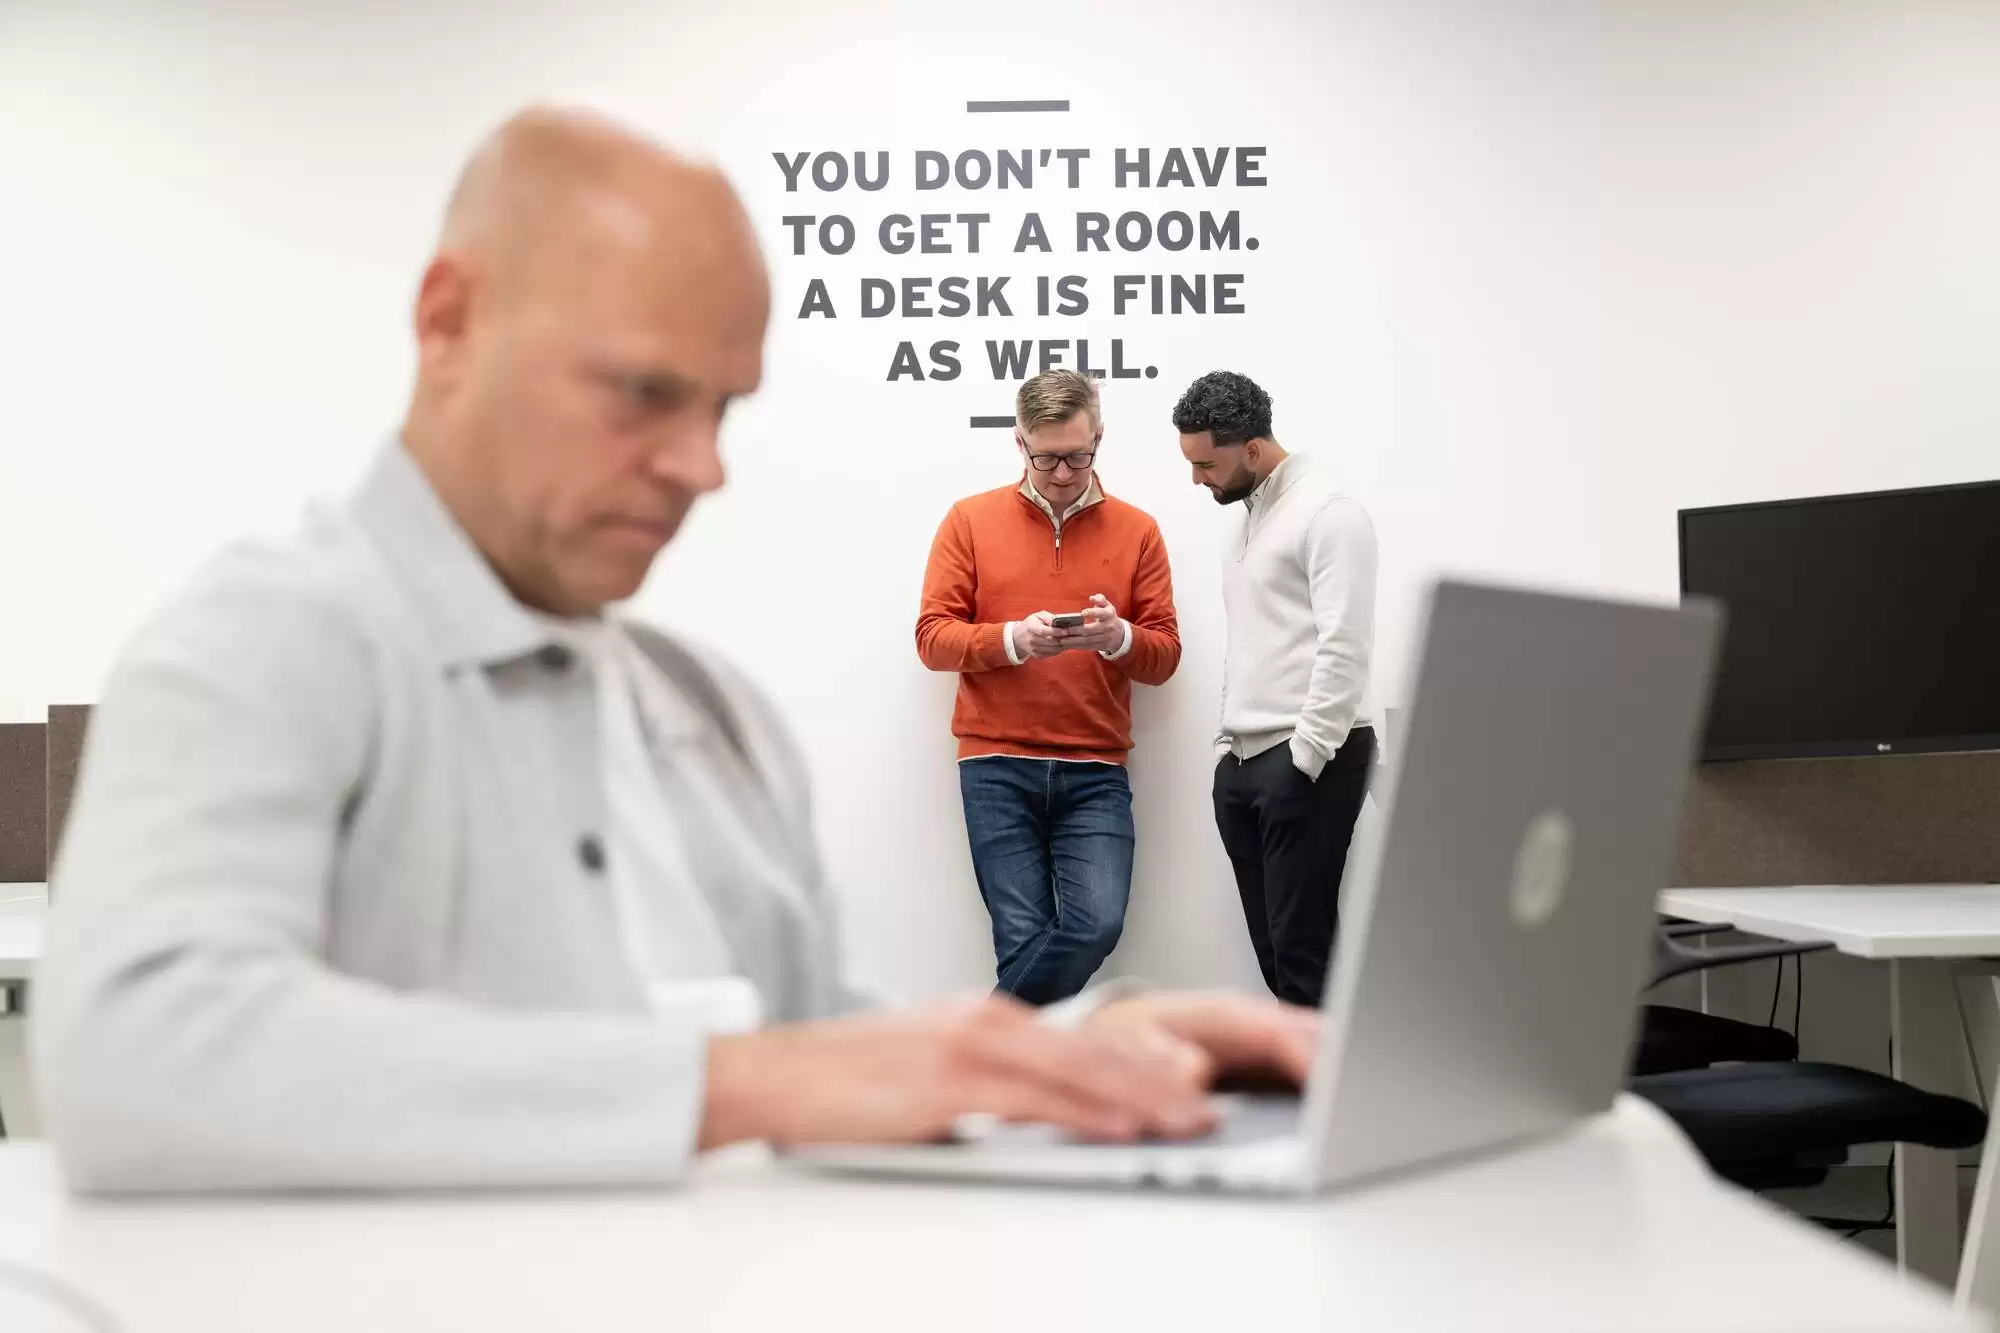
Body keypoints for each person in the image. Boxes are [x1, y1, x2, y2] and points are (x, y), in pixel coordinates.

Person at [31, 108, 1316, 1194]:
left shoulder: (708, 715)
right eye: (646, 392)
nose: (702, 467)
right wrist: (732, 1085)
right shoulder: (258, 643)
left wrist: (1090, 1047)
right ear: (448, 323)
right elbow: (129, 1060)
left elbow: (826, 1053)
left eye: (721, 408)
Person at [916, 371, 1180, 1004]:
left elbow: (1164, 656)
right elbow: (932, 638)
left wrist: (1118, 637)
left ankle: (981, 1038)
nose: (1062, 473)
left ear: (1098, 439)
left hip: (1096, 769)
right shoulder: (969, 520)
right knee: (1022, 939)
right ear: (1020, 443)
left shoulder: (1138, 530)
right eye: (1046, 457)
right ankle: (1015, 1061)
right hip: (995, 764)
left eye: (1078, 456)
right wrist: (1012, 641)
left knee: (1097, 924)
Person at [1174, 371, 1378, 1009]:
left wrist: (1306, 757)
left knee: (1302, 953)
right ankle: (1310, 1069)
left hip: (1308, 757)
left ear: (1253, 449)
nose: (1196, 479)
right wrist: (1224, 749)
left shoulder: (1329, 514)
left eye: (1206, 464)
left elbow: (1346, 646)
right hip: (1243, 762)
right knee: (1276, 956)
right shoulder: (1245, 522)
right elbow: (1249, 642)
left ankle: (1327, 1075)